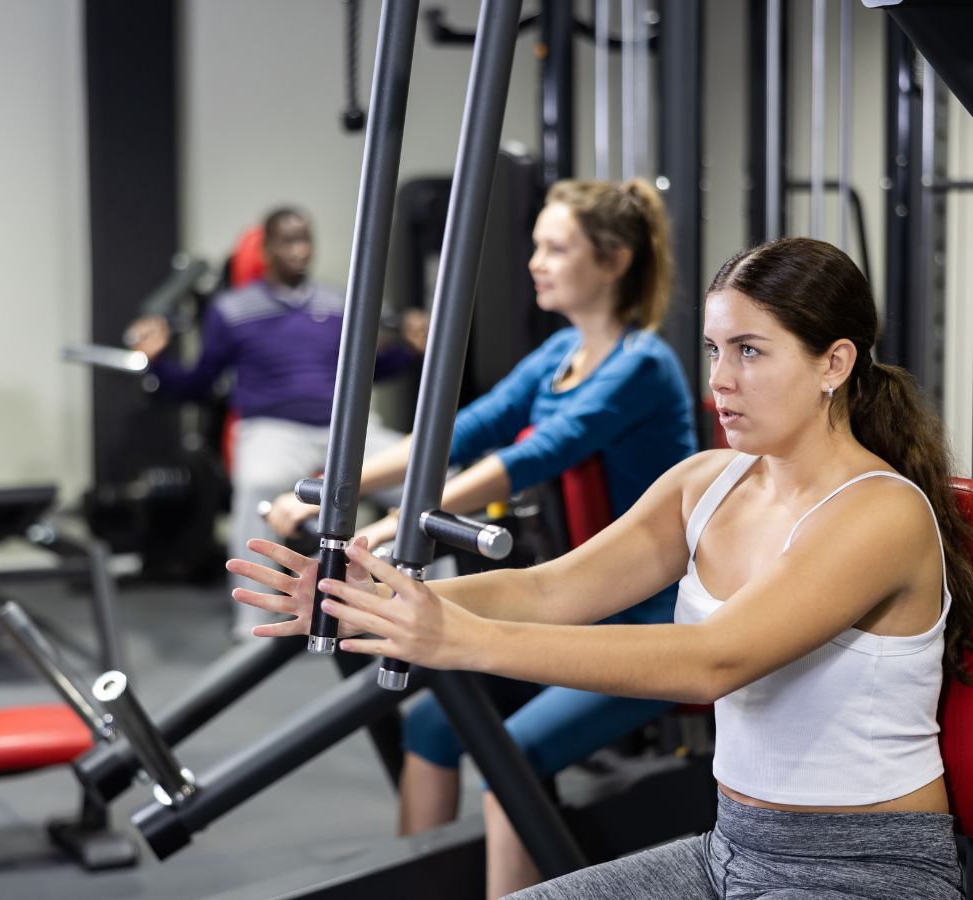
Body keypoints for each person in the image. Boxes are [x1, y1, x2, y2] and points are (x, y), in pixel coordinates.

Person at [234, 236, 970, 899]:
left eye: (750, 350)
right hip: (729, 850)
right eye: (714, 349)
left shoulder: (878, 512)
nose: (721, 379)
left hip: (870, 871)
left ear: (833, 363)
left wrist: (455, 640)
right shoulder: (706, 482)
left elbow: (711, 661)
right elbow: (553, 587)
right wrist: (377, 594)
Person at [263, 179, 698, 896]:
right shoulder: (562, 354)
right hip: (579, 606)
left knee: (510, 755)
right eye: (536, 246)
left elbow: (529, 457)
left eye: (557, 247)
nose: (536, 261)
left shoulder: (641, 366)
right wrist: (334, 487)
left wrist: (385, 528)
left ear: (614, 261)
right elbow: (463, 430)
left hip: (651, 619)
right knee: (431, 728)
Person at [126, 207, 424, 640]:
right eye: (287, 241)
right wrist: (159, 362)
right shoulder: (232, 310)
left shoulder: (341, 302)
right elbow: (200, 383)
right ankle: (252, 624)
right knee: (257, 485)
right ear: (265, 249)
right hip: (272, 429)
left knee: (431, 480)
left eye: (305, 239)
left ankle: (435, 603)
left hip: (345, 430)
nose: (299, 250)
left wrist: (412, 350)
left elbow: (369, 371)